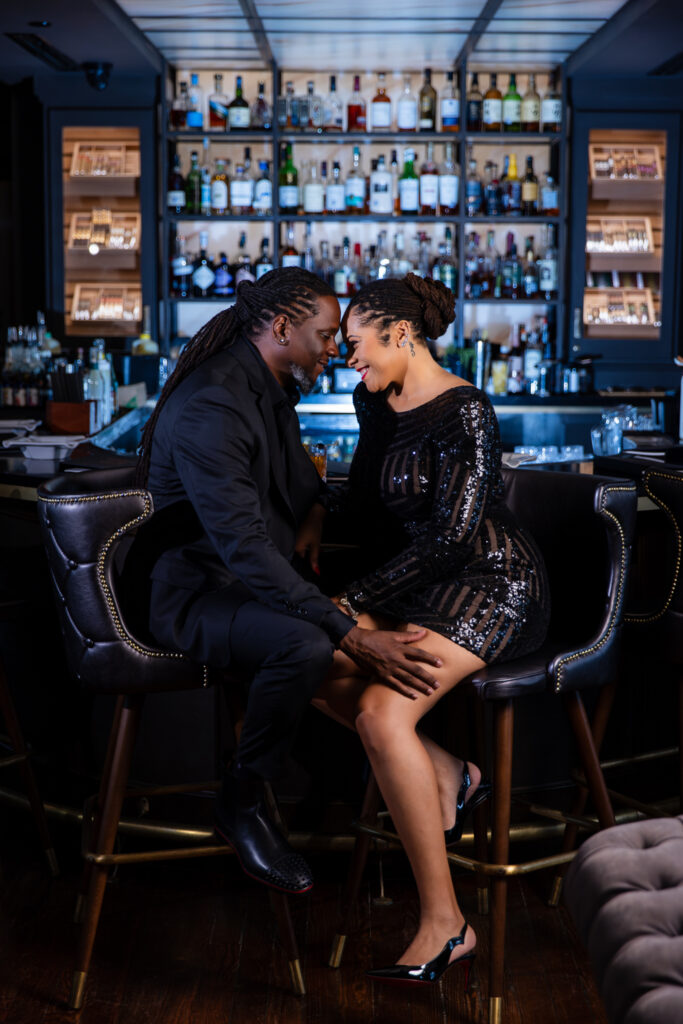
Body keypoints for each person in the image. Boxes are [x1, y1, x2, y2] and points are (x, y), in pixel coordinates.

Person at [132, 268, 442, 897]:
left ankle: (430, 774)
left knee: (372, 616)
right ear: (280, 328)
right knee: (307, 643)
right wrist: (350, 633)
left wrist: (317, 514)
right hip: (192, 595)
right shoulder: (216, 403)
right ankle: (241, 801)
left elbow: (305, 488)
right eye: (327, 335)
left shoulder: (270, 391)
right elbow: (244, 549)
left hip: (242, 584)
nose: (338, 349)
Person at [308, 273, 551, 986]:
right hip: (423, 584)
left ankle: (446, 925)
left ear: (399, 334)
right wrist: (315, 509)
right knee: (304, 664)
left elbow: (451, 536)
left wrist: (351, 601)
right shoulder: (372, 398)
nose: (345, 357)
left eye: (354, 344)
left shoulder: (465, 409)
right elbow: (366, 502)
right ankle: (449, 772)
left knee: (384, 716)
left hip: (491, 586)